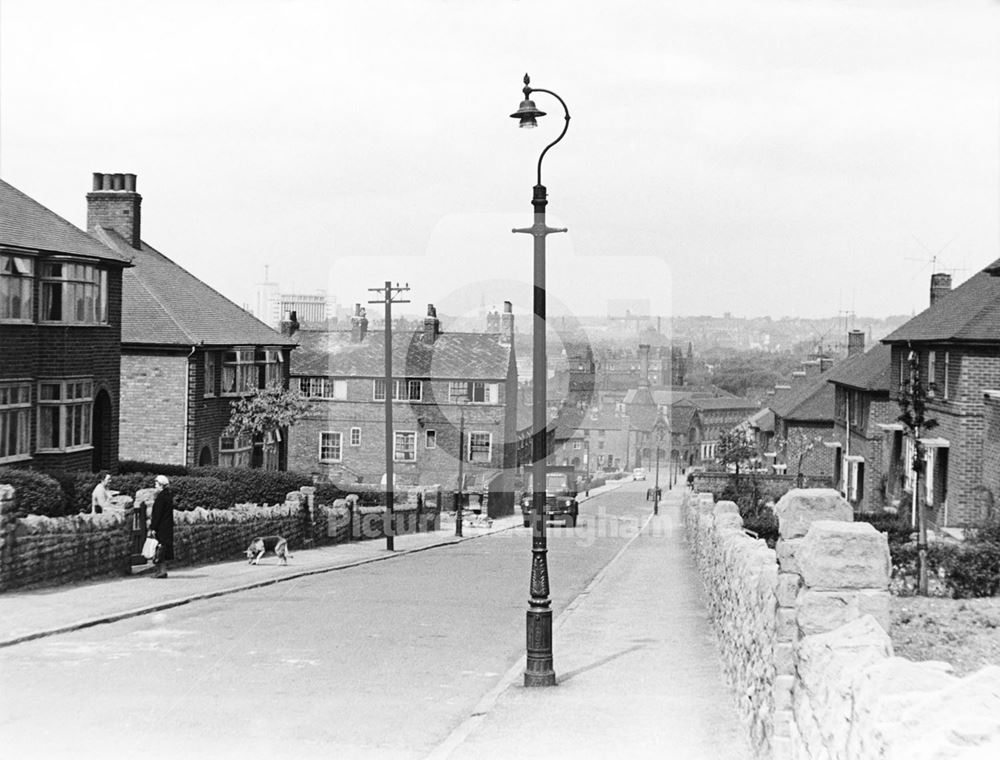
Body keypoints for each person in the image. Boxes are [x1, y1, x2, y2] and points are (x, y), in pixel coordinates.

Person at [148, 475, 174, 579]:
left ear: (161, 485)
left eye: (156, 484)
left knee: (159, 549)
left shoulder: (161, 498)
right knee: (162, 549)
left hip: (161, 527)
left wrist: (153, 527)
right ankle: (162, 571)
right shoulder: (168, 496)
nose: (155, 486)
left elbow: (157, 514)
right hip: (167, 527)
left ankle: (161, 571)